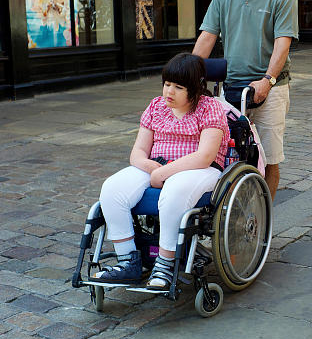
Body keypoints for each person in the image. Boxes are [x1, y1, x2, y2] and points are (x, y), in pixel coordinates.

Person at [91, 53, 230, 290]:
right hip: (156, 164)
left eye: (178, 87)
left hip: (199, 168)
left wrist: (164, 173)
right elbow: (137, 153)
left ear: (195, 88)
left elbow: (205, 156)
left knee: (174, 190)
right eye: (167, 84)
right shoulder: (156, 106)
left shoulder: (211, 108)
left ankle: (165, 264)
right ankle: (128, 262)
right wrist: (151, 168)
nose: (169, 92)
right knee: (112, 188)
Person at [193, 0, 297, 201]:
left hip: (269, 89)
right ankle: (233, 216)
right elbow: (207, 37)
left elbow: (282, 43)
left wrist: (268, 80)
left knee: (269, 158)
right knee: (227, 154)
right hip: (231, 89)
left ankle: (261, 224)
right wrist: (188, 75)